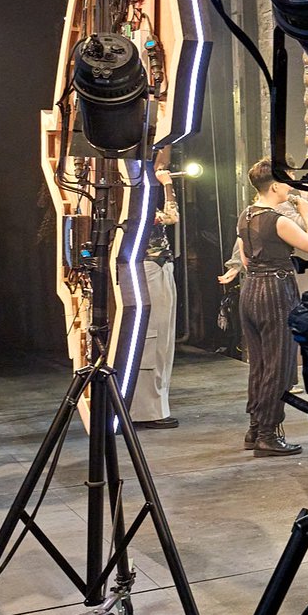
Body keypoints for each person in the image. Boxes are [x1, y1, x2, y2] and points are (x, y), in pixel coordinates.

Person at [235, 160, 308, 457]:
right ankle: (269, 434)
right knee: (279, 365)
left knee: (259, 364)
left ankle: (255, 427)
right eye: (288, 181)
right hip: (275, 292)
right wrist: (307, 216)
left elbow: (245, 260)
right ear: (274, 186)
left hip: (251, 291)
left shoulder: (245, 216)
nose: (292, 185)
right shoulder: (277, 220)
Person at [131, 150, 180, 429]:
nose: (167, 168)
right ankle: (145, 410)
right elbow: (169, 218)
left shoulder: (146, 189)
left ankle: (156, 407)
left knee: (164, 338)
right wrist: (167, 185)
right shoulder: (139, 192)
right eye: (164, 163)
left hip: (160, 266)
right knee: (153, 336)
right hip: (148, 267)